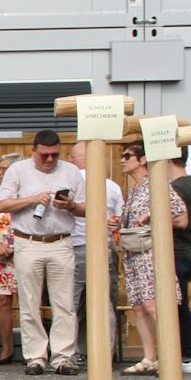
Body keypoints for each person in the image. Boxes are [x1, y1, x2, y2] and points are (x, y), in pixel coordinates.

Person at [0, 130, 85, 376]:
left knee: (65, 302)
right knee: (30, 302)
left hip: (61, 241)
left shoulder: (71, 171)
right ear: (33, 150)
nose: (49, 160)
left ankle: (63, 357)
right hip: (28, 241)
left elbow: (87, 208)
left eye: (54, 155)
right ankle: (35, 357)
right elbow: (1, 204)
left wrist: (71, 205)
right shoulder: (18, 171)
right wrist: (32, 199)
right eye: (44, 155)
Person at [117, 142, 188, 375]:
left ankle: (171, 357)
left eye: (128, 156)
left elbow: (182, 217)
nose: (123, 160)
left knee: (155, 304)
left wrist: (153, 217)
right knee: (138, 306)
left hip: (152, 253)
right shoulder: (135, 189)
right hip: (133, 253)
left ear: (143, 160)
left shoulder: (157, 185)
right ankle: (149, 357)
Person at [66, 141, 121, 366]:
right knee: (105, 302)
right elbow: (117, 221)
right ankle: (107, 351)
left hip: (76, 246)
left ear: (73, 159)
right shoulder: (112, 186)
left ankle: (71, 351)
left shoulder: (70, 183)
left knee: (71, 302)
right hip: (103, 246)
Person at [169, 153, 191, 374]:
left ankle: (187, 356)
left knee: (178, 307)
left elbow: (182, 221)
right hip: (186, 253)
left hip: (175, 253)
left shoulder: (176, 188)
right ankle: (186, 355)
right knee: (180, 306)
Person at [0, 152, 21, 365]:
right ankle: (6, 349)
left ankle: (33, 350)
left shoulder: (28, 191)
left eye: (4, 168)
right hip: (1, 254)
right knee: (3, 300)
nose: (0, 172)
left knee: (30, 301)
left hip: (25, 251)